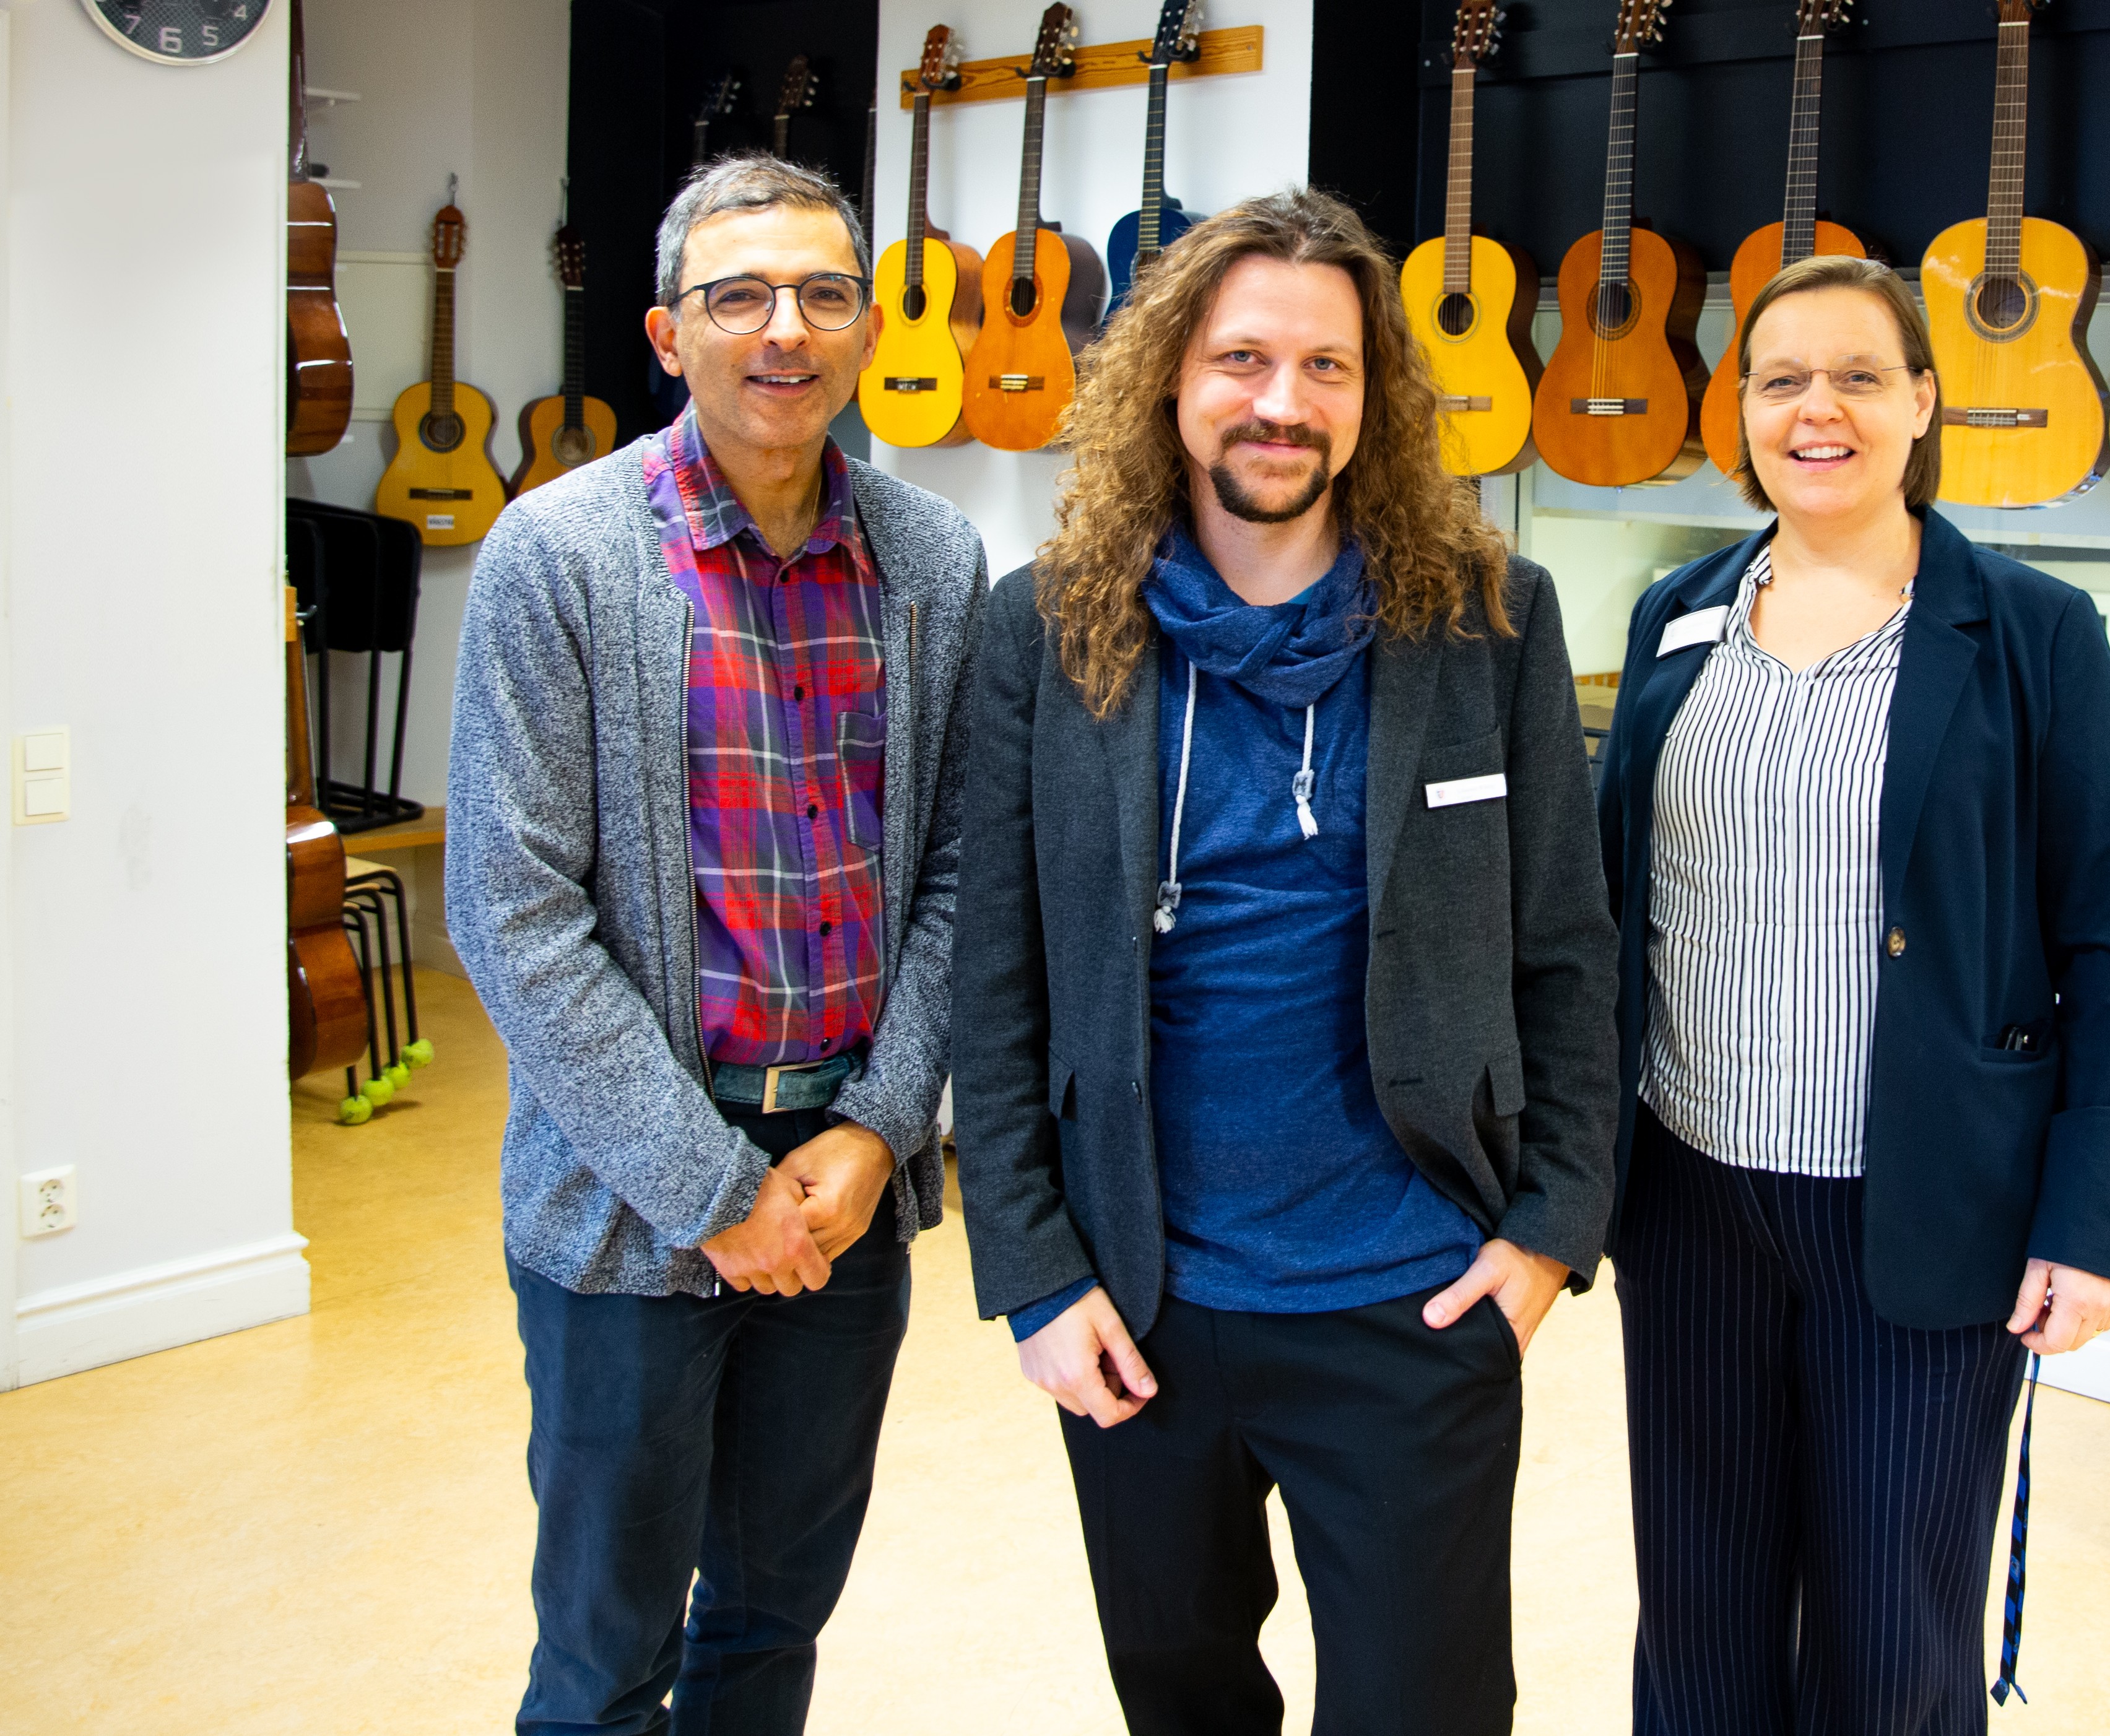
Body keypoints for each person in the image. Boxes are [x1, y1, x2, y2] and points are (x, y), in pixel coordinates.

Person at [950, 189, 1618, 1736]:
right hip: (1139, 1298)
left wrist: (1545, 1238)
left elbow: (1569, 954)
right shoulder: (1047, 629)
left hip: (1417, 1291)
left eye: (1327, 367)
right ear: (1172, 382)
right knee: (1180, 1697)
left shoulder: (1487, 617)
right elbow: (999, 976)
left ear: (1375, 398)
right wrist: (1035, 1274)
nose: (1282, 402)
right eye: (1244, 358)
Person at [446, 153, 985, 1735]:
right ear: (666, 334)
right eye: (736, 295)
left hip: (845, 1188)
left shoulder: (931, 559)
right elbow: (514, 913)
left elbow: (960, 875)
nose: (784, 329)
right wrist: (712, 1192)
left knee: (769, 1624)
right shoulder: (557, 556)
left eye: (823, 293)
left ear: (868, 326)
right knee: (606, 1655)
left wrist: (881, 1131)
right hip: (629, 1211)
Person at [1596, 254, 2110, 1735]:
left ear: (1923, 400)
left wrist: (2090, 1226)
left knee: (1892, 1628)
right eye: (1781, 378)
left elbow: (2108, 944)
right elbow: (1603, 912)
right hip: (1691, 1193)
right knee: (1700, 1608)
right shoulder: (1678, 617)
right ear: (1741, 409)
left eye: (1859, 375)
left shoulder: (2034, 636)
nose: (1819, 410)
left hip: (1919, 1208)